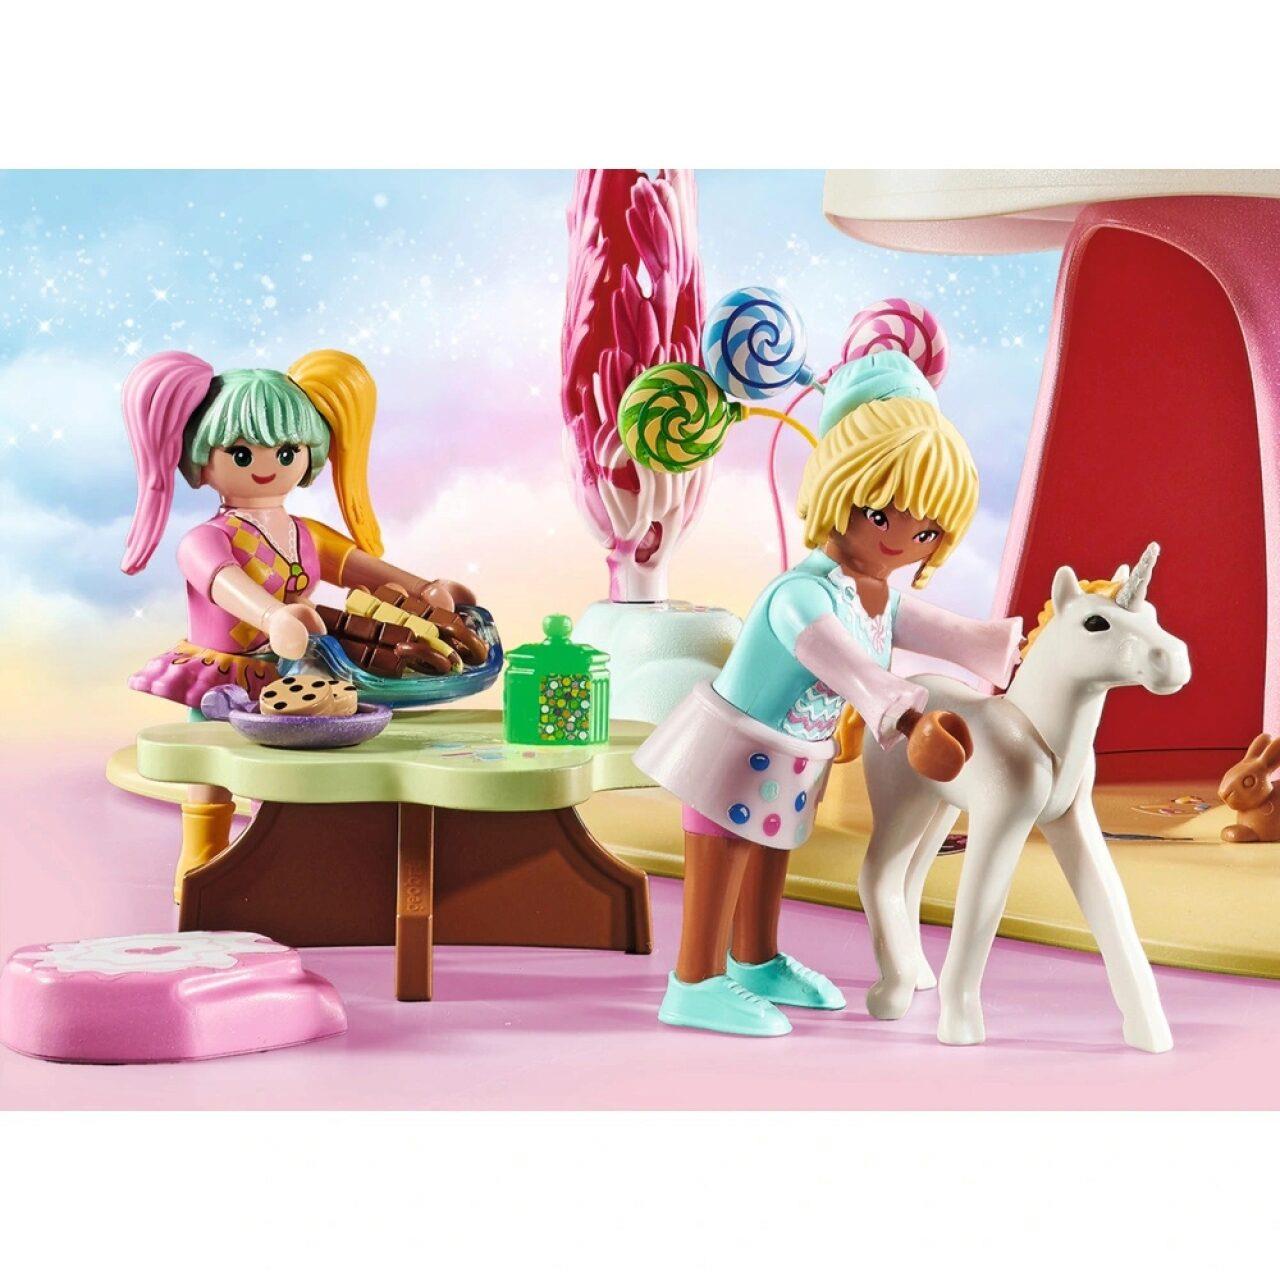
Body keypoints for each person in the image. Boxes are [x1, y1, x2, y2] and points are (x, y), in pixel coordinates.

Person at [634, 350, 1022, 1036]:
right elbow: (840, 660)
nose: (900, 541)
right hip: (729, 754)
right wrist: (898, 708)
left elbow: (941, 630)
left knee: (770, 856)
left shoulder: (874, 595)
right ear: (839, 491)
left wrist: (995, 646)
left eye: (925, 531)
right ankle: (693, 982)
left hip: (789, 758)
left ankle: (756, 960)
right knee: (724, 859)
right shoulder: (801, 594)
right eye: (880, 515)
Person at [121, 349, 471, 897]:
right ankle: (201, 863)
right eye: (240, 452)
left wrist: (424, 590)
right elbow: (223, 582)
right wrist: (272, 614)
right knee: (211, 775)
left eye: (286, 451)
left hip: (293, 679)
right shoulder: (206, 539)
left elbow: (363, 570)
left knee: (282, 780)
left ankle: (275, 870)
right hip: (224, 677)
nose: (266, 465)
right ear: (201, 459)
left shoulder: (305, 534)